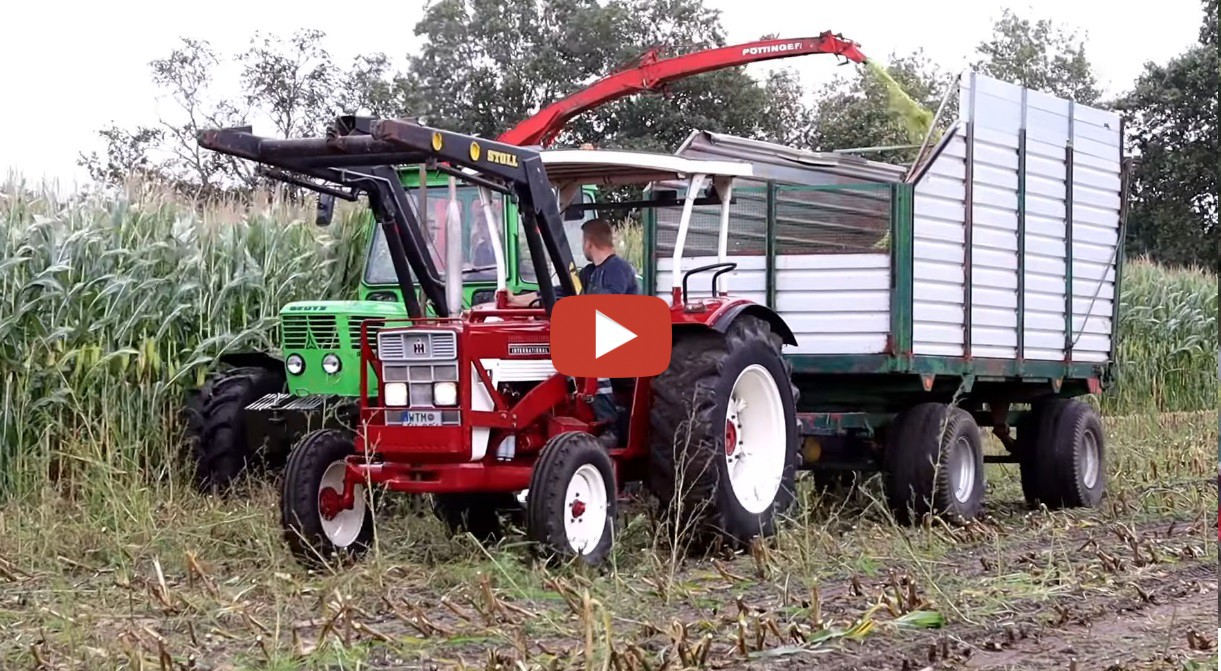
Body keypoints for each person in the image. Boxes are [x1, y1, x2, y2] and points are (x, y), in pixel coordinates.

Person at [506, 218, 637, 448]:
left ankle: (610, 425)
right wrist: (517, 300)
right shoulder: (589, 274)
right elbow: (556, 292)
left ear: (588, 242)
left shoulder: (618, 269)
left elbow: (606, 306)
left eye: (582, 241)